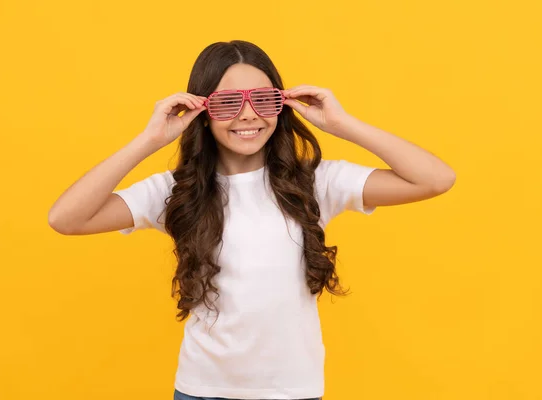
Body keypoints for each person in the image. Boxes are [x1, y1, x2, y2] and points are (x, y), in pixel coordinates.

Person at [48, 40, 456, 400]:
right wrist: (149, 141)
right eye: (228, 103)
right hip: (201, 390)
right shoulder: (174, 190)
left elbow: (436, 179)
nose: (248, 115)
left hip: (292, 392)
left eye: (264, 100)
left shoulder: (315, 182)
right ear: (201, 112)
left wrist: (342, 124)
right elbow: (65, 218)